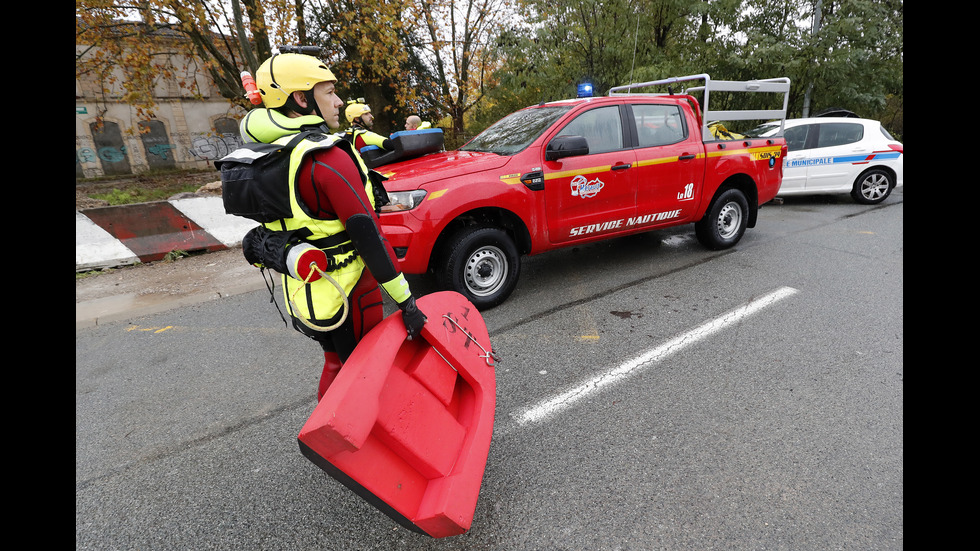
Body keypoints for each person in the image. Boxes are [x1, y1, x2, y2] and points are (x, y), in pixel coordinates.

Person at [239, 49, 426, 400]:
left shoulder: (272, 151)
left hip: (306, 288)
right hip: (350, 287)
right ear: (301, 98)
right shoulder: (327, 157)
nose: (338, 101)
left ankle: (329, 440)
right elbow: (367, 236)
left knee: (336, 364)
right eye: (328, 92)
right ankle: (362, 447)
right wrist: (407, 302)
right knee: (364, 374)